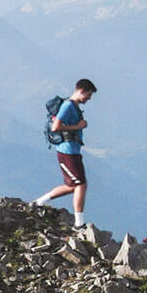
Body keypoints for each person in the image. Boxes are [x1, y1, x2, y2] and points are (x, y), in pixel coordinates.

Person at [36, 78, 96, 228]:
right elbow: (55, 127)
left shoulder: (73, 105)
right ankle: (79, 224)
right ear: (81, 91)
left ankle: (39, 202)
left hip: (72, 151)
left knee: (72, 186)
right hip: (67, 152)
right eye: (88, 95)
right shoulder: (68, 106)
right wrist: (78, 126)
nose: (89, 98)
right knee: (81, 185)